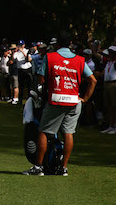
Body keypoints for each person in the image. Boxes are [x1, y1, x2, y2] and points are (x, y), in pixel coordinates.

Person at [22, 35, 96, 176]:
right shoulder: (80, 60)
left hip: (56, 99)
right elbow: (93, 80)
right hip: (74, 100)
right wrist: (85, 98)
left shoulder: (50, 57)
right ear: (71, 44)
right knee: (68, 133)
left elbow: (41, 79)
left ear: (56, 45)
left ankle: (38, 167)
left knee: (44, 131)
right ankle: (63, 168)